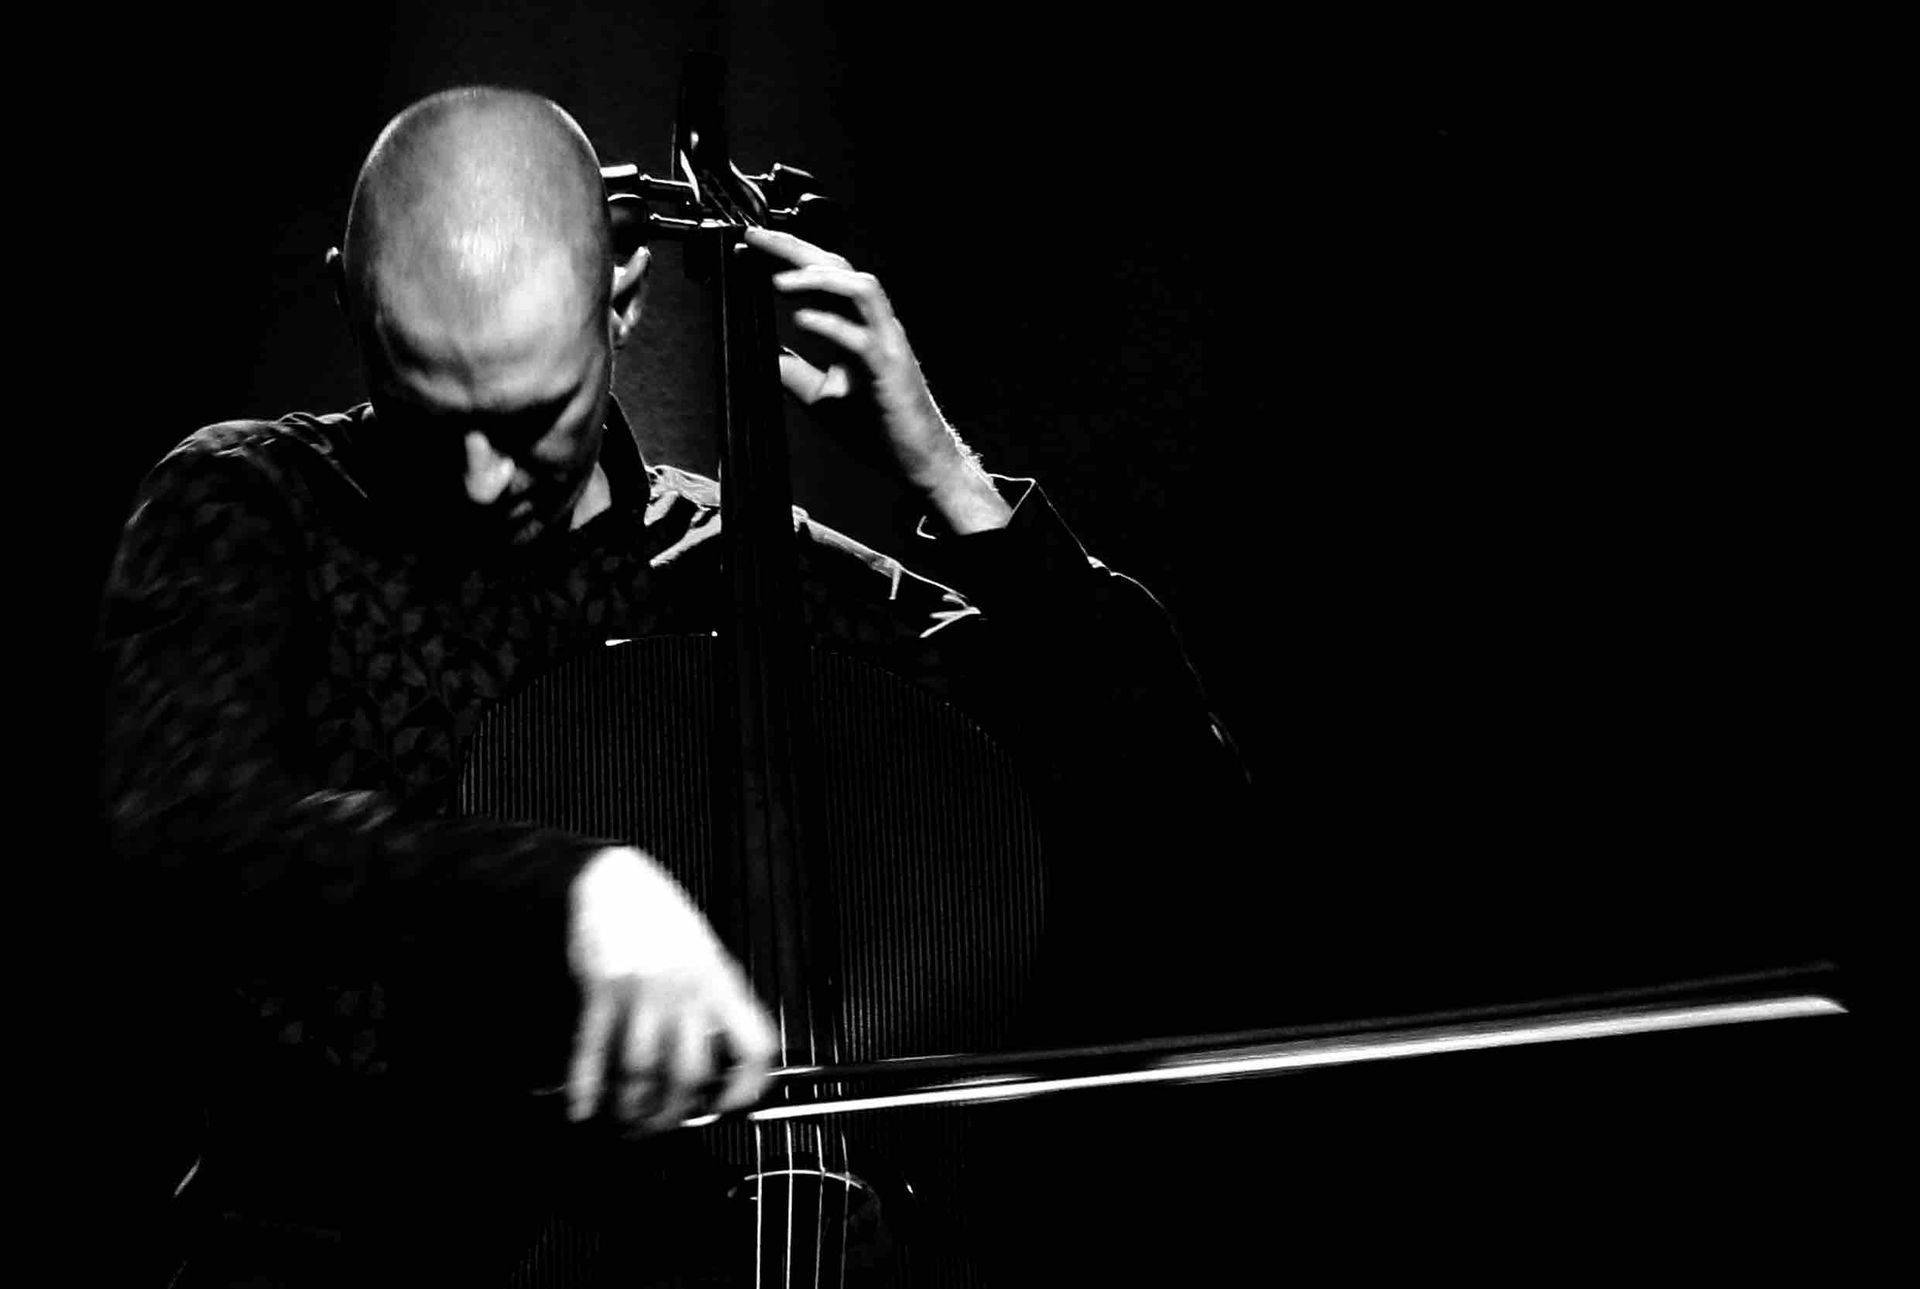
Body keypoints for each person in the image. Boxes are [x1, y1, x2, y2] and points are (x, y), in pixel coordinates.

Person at [99, 86, 1247, 1285]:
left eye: (535, 416)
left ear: (626, 296)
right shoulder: (252, 504)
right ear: (348, 298)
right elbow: (191, 825)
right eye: (437, 414)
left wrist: (954, 485)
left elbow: (1184, 813)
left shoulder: (754, 578)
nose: (491, 483)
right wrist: (571, 886)